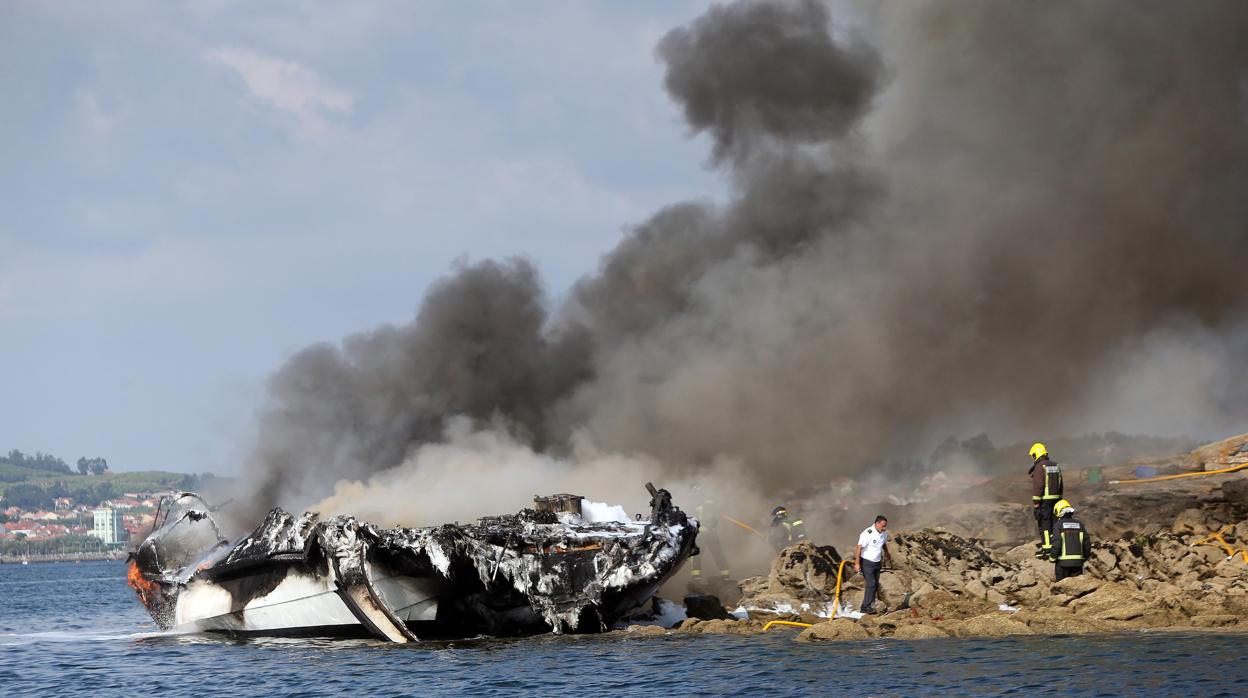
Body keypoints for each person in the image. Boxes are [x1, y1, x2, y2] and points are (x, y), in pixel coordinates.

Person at [1028, 442, 1063, 558]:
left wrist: (1036, 504)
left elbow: (1039, 485)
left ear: (1036, 454)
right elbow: (1061, 483)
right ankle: (1056, 546)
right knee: (1055, 523)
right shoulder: (1056, 465)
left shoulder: (1040, 467)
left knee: (1044, 524)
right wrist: (1060, 498)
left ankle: (1047, 549)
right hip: (1057, 499)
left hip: (1045, 501)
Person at [690, 493, 731, 584]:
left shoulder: (697, 506)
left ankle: (696, 578)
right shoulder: (710, 506)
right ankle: (726, 576)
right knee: (718, 554)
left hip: (700, 535)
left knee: (697, 556)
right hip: (709, 534)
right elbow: (714, 521)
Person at [855, 515, 891, 614]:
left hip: (877, 562)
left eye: (885, 526)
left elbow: (883, 543)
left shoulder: (883, 534)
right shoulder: (867, 533)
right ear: (877, 523)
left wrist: (887, 553)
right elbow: (859, 548)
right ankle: (865, 607)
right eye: (883, 526)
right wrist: (857, 563)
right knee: (871, 584)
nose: (884, 528)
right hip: (867, 562)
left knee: (875, 584)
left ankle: (871, 604)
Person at [1049, 499, 1091, 581]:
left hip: (1062, 564)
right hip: (1078, 563)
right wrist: (1085, 557)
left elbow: (1057, 543)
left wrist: (1052, 557)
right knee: (1077, 588)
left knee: (1061, 588)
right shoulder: (1079, 524)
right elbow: (1086, 543)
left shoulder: (1058, 525)